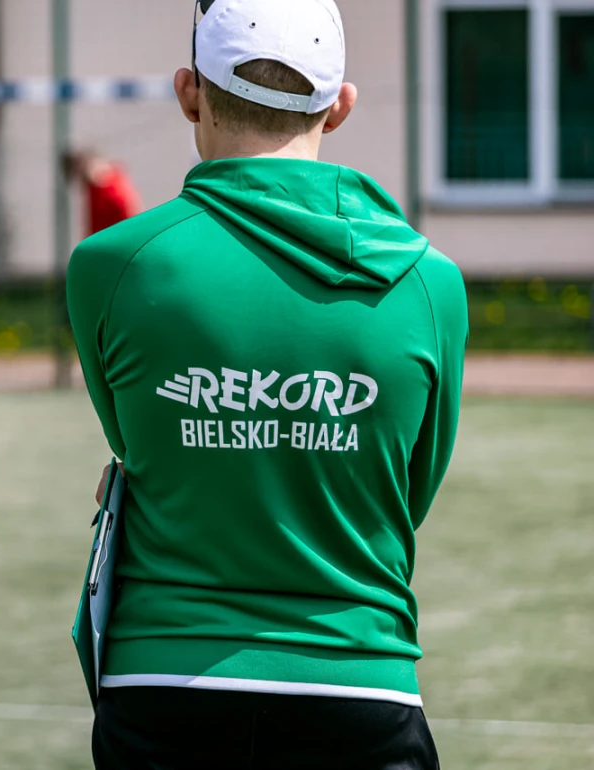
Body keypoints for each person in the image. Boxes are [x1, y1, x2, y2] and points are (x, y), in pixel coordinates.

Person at [66, 1, 467, 767]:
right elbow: (407, 491)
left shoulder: (109, 266)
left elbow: (135, 445)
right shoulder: (430, 284)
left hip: (161, 684)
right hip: (360, 679)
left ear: (189, 92)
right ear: (340, 105)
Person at [65, 149, 142, 236]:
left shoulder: (114, 190)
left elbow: (129, 216)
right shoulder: (96, 189)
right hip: (105, 237)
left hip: (116, 237)